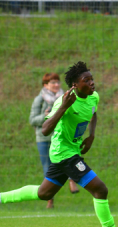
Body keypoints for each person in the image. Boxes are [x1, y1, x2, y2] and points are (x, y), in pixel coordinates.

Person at [0, 61, 118, 227]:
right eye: (86, 80)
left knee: (44, 193)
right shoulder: (63, 101)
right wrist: (63, 107)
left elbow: (93, 113)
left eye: (92, 79)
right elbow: (45, 129)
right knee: (100, 190)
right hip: (64, 154)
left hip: (70, 151)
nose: (91, 83)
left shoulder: (93, 97)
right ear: (74, 85)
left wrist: (92, 136)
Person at [30, 73, 80, 209]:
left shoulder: (66, 97)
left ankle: (72, 181)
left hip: (60, 137)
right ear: (45, 85)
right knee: (48, 167)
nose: (57, 85)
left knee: (68, 159)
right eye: (53, 83)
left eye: (58, 82)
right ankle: (49, 199)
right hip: (43, 138)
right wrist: (45, 116)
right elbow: (32, 120)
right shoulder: (39, 99)